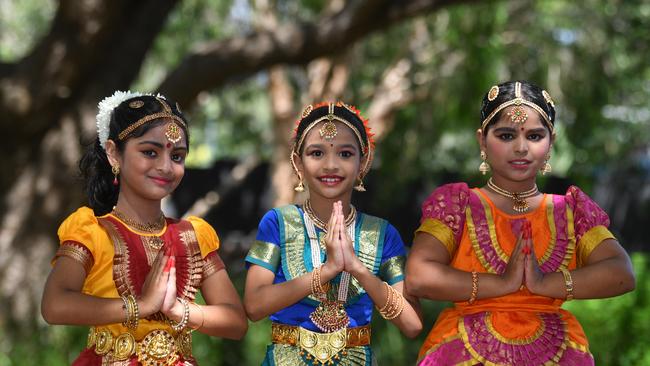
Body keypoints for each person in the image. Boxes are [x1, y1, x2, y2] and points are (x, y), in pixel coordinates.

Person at [406, 80, 636, 365]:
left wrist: (543, 284)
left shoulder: (571, 211)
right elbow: (418, 276)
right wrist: (502, 284)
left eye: (535, 136)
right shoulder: (458, 204)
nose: (521, 148)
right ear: (482, 141)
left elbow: (622, 274)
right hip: (461, 351)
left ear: (551, 143)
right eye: (505, 135)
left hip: (559, 352)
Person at [41, 91, 248, 365]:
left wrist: (177, 309)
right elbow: (54, 306)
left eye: (177, 156)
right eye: (150, 152)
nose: (165, 166)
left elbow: (235, 321)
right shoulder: (93, 232)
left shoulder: (192, 236)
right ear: (114, 154)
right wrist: (141, 306)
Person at [244, 102, 422, 365]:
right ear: (298, 162)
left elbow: (412, 325)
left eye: (345, 154)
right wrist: (325, 272)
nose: (330, 165)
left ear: (364, 162)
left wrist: (358, 269)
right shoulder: (277, 223)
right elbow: (254, 306)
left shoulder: (382, 234)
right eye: (316, 153)